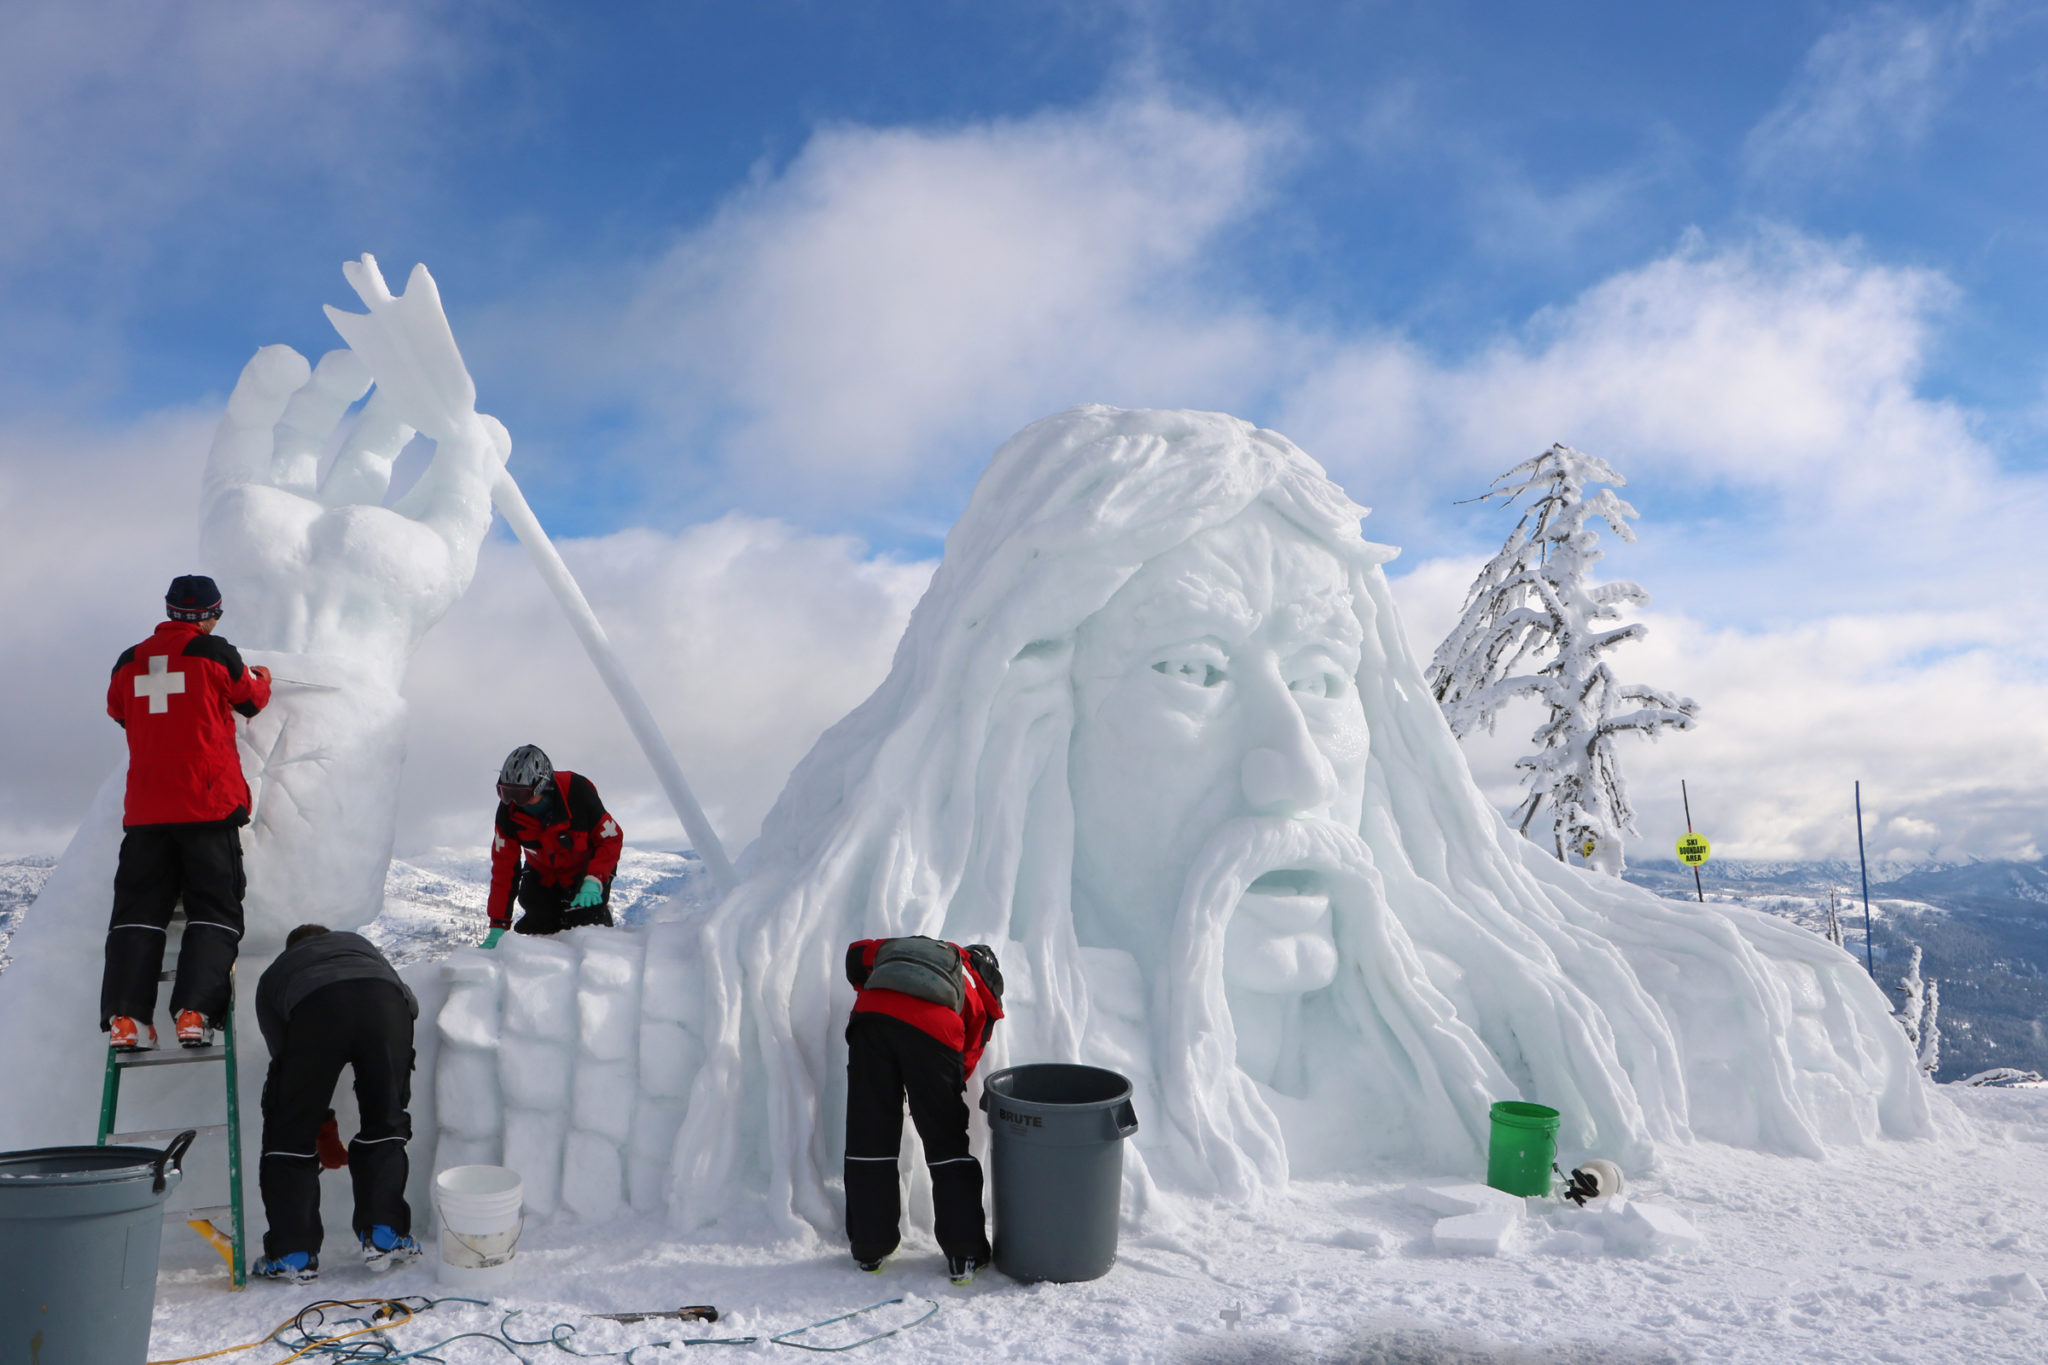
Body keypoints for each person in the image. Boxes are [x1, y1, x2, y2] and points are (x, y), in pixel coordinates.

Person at [101, 574, 272, 1050]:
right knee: (214, 908)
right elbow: (251, 701)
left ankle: (127, 1021)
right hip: (208, 805)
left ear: (170, 611)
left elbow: (119, 712)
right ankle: (194, 1012)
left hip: (146, 811)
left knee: (136, 913)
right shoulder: (216, 653)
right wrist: (262, 676)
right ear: (212, 615)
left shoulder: (129, 661)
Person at [250, 924, 421, 1283]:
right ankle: (384, 1234)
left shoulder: (276, 975)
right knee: (385, 1121)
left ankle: (292, 1254)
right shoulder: (360, 946)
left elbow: (285, 1060)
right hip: (387, 1004)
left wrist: (316, 1124)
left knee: (288, 1135)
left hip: (315, 1010)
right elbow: (411, 1003)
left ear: (291, 949)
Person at [841, 935, 1003, 1284]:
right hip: (934, 1031)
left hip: (870, 1019)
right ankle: (964, 1254)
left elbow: (857, 954)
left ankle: (871, 1248)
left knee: (869, 1135)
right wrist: (933, 1094)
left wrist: (870, 992)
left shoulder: (917, 948)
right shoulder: (978, 991)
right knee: (946, 1144)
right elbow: (966, 1056)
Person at [484, 745, 624, 946]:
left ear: (542, 785)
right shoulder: (509, 813)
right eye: (505, 793)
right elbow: (503, 870)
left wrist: (594, 880)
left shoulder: (577, 793)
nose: (514, 801)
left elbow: (611, 838)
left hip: (587, 869)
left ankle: (598, 927)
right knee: (538, 923)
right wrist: (498, 925)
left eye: (521, 794)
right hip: (545, 872)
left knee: (585, 922)